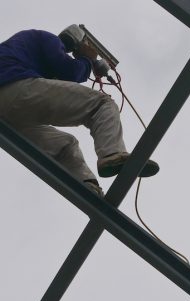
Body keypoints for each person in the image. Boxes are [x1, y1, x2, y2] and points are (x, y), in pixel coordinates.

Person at [0, 27, 159, 196]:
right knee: (101, 104)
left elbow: (55, 87)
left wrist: (86, 63)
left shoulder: (29, 53)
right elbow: (70, 71)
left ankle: (87, 186)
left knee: (65, 145)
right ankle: (112, 153)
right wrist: (87, 59)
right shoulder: (46, 37)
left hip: (8, 113)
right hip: (15, 86)